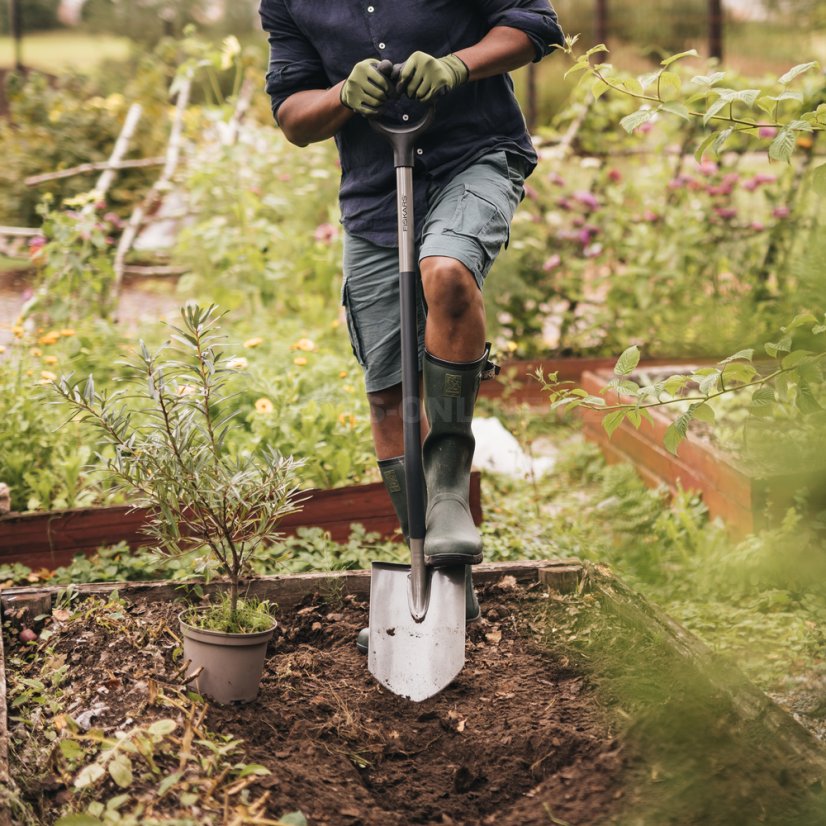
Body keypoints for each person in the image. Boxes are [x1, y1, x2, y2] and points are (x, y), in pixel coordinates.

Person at [258, 1, 564, 649]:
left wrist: (458, 66)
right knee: (388, 392)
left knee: (447, 272)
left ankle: (448, 488)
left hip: (474, 158)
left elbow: (535, 26)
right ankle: (442, 579)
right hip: (375, 194)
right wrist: (341, 95)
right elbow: (292, 113)